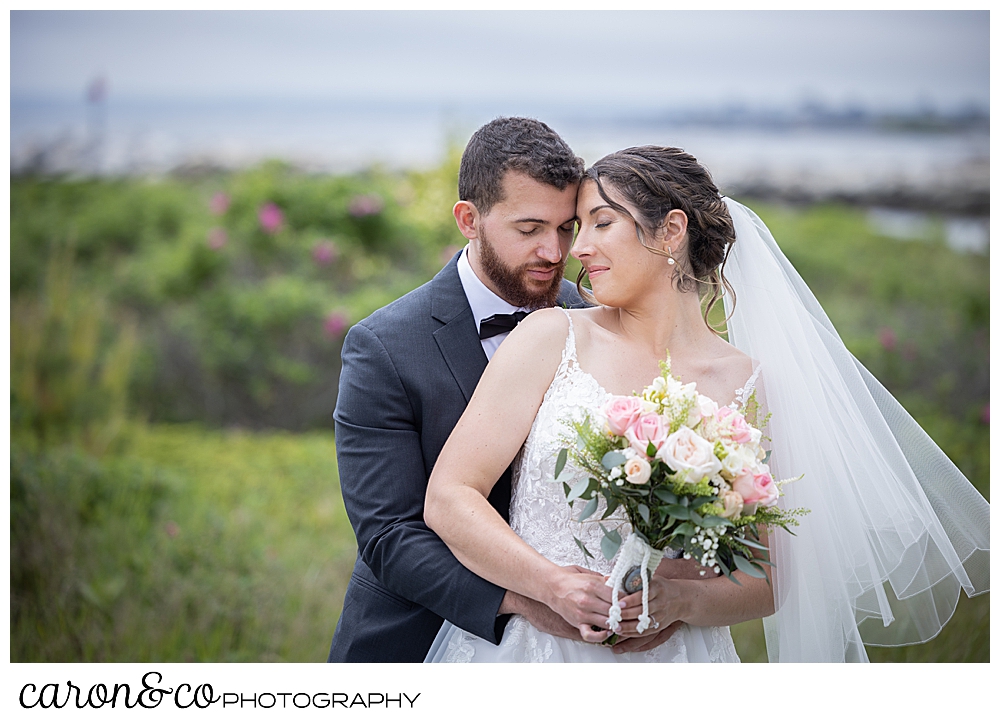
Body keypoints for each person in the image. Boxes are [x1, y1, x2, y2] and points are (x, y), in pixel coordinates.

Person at [423, 146, 990, 663]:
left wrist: (679, 600)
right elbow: (450, 498)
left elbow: (765, 582)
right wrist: (550, 586)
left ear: (670, 231)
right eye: (580, 227)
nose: (580, 248)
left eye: (602, 222)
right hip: (535, 654)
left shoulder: (747, 384)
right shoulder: (551, 337)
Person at [328, 117, 598, 662]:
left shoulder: (596, 321)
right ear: (468, 219)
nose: (553, 251)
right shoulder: (382, 347)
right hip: (417, 641)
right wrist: (530, 598)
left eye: (566, 228)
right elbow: (390, 536)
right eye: (529, 229)